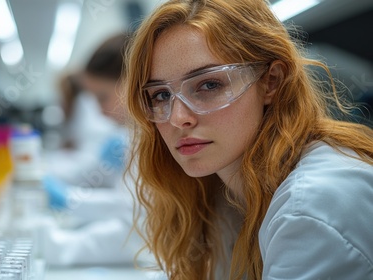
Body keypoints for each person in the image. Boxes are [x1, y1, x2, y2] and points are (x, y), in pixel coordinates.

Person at [123, 0, 373, 279]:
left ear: (271, 81)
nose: (177, 118)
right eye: (161, 95)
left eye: (209, 85)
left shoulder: (311, 208)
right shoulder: (222, 197)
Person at [40, 33, 146, 266]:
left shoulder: (158, 139)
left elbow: (141, 230)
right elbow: (131, 209)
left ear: (133, 79)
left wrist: (61, 247)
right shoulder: (139, 136)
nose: (98, 111)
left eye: (103, 97)